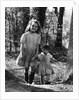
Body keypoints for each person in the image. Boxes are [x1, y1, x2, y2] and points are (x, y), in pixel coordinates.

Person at [16, 19, 41, 84]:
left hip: (34, 53)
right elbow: (22, 45)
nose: (34, 28)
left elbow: (37, 46)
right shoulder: (25, 35)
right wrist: (21, 53)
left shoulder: (38, 36)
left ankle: (31, 81)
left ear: (38, 28)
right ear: (29, 26)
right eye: (33, 26)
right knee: (26, 67)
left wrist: (36, 53)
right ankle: (26, 80)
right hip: (26, 52)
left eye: (36, 26)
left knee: (33, 66)